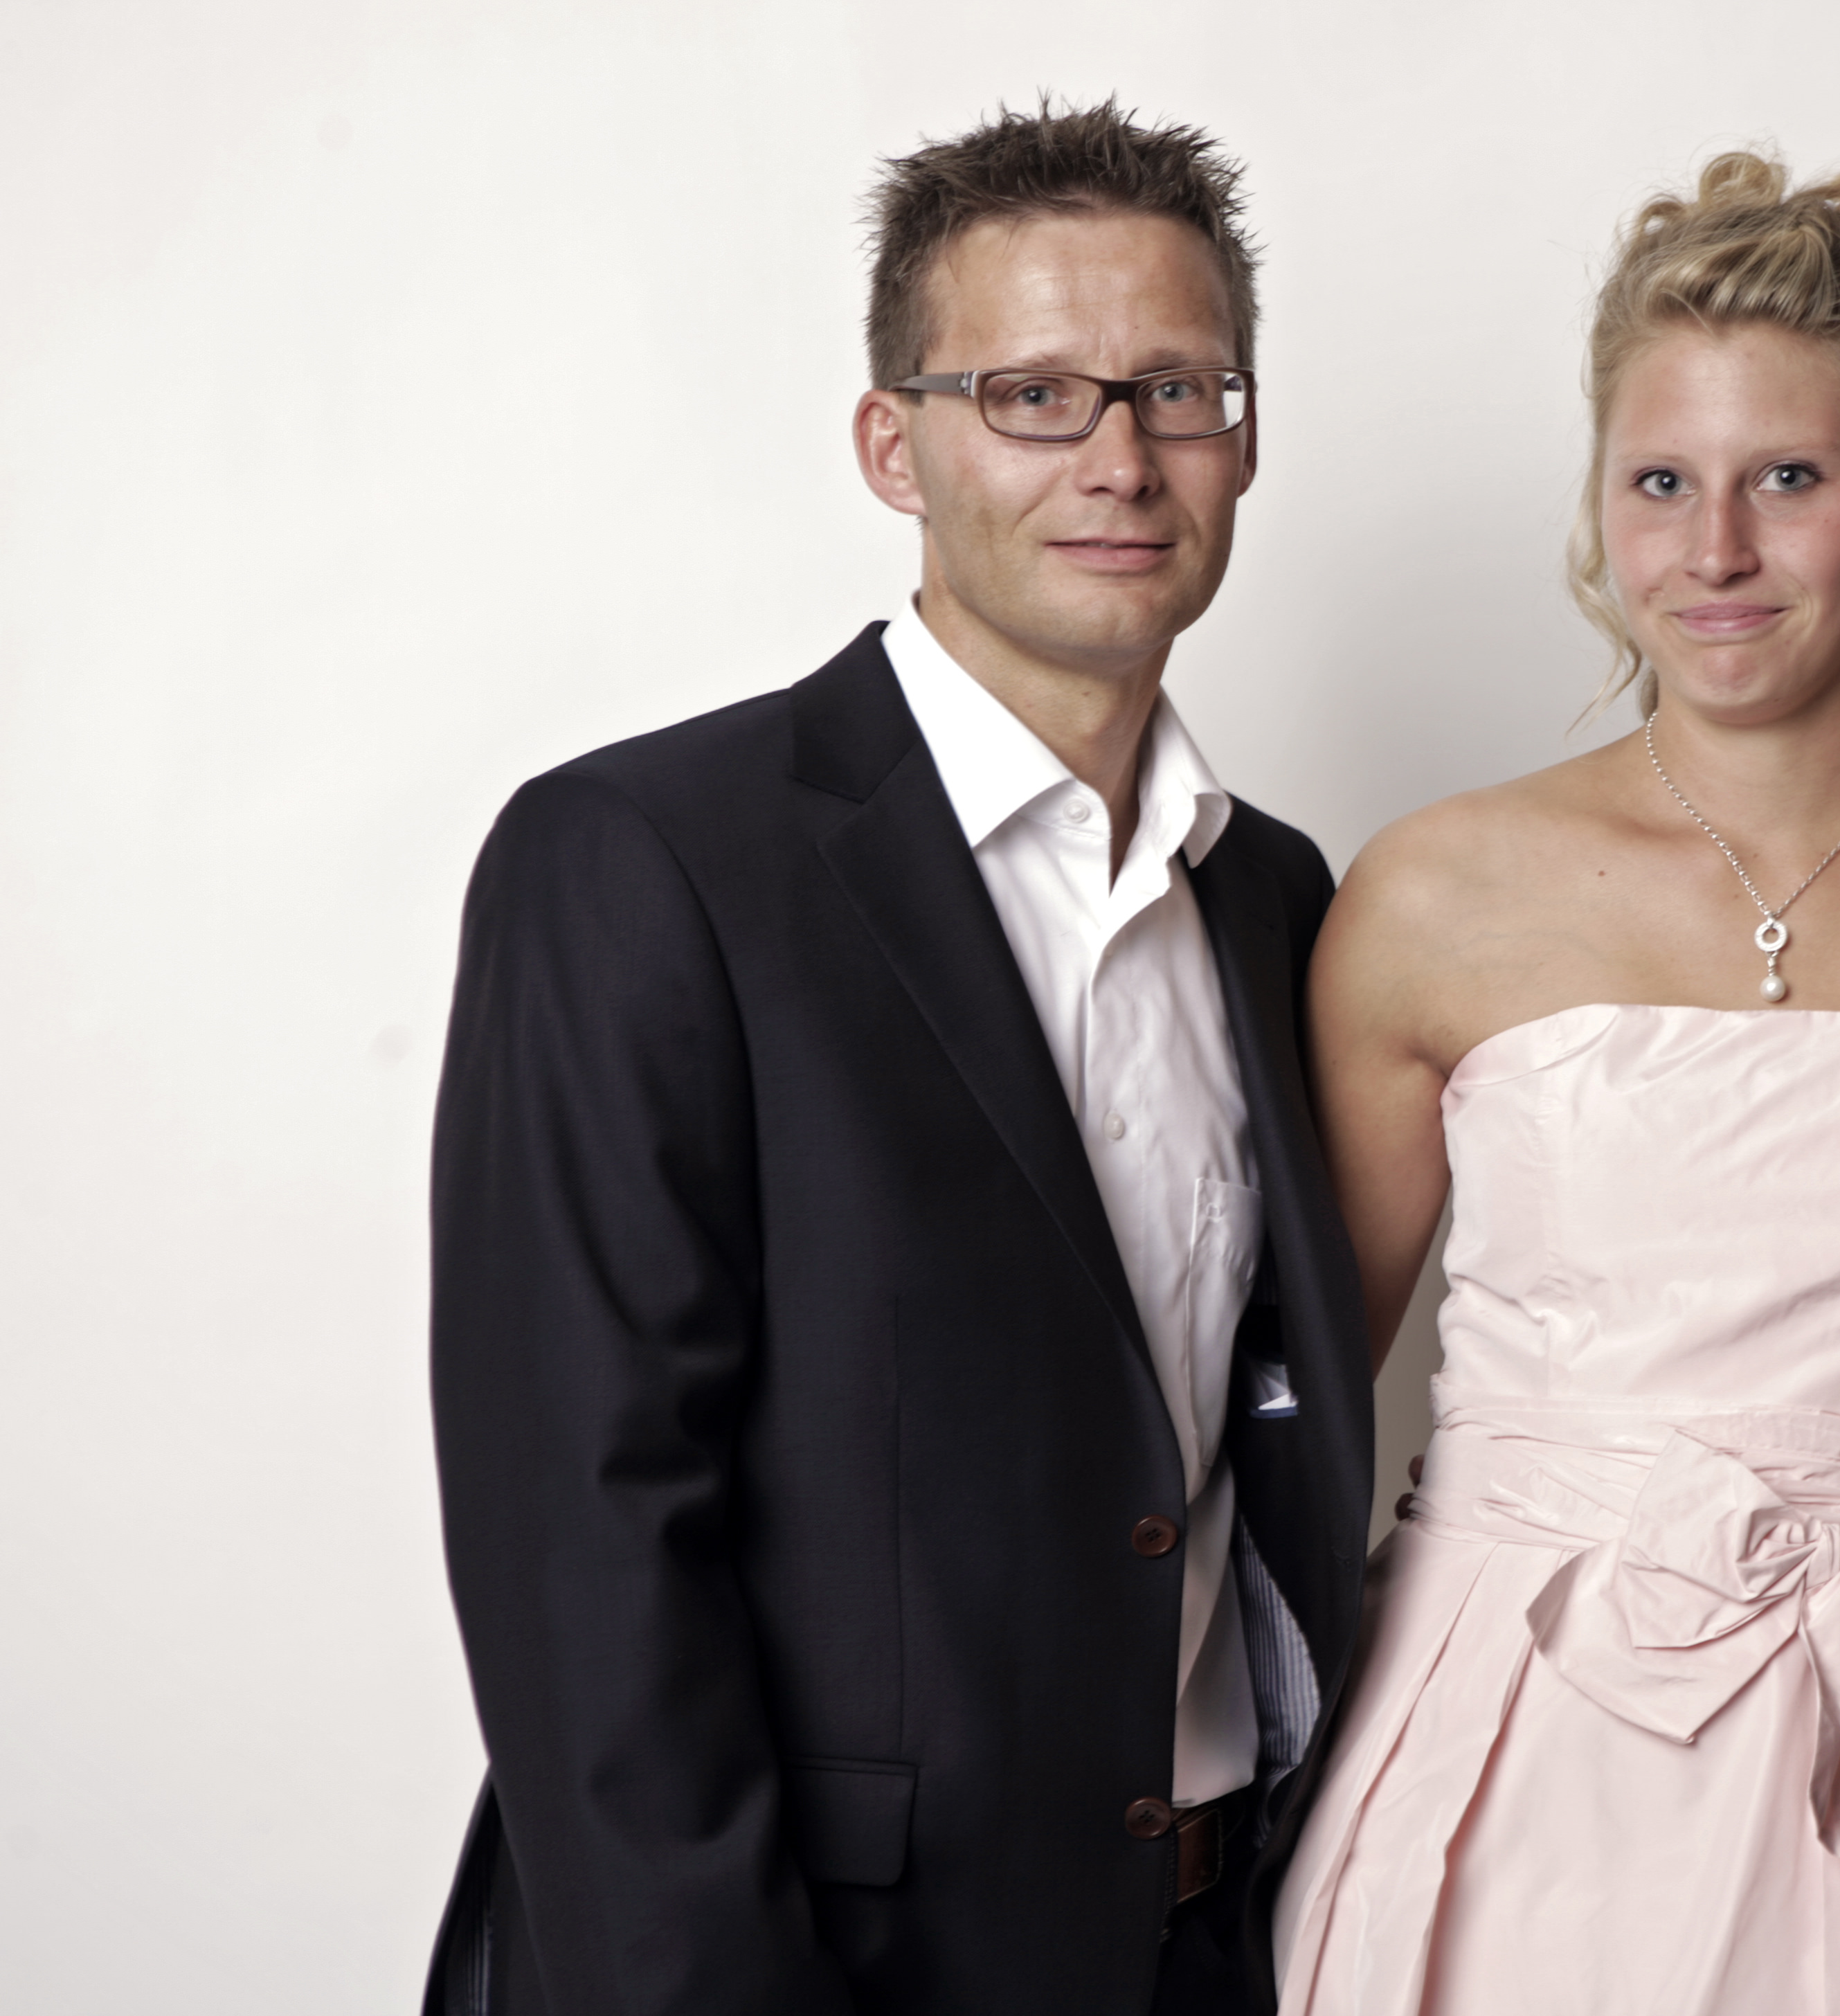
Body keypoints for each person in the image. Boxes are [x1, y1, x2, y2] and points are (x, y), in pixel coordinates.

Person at [420, 102, 1369, 2016]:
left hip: (1213, 1944)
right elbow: (584, 1548)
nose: (1120, 457)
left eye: (1178, 390)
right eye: (1033, 394)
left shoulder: (1274, 896)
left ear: (1245, 435)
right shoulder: (645, 860)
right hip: (810, 1967)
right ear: (893, 444)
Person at [1270, 154, 1840, 2016]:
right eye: (1661, 482)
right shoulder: (1435, 890)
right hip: (1488, 1743)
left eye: (1791, 480)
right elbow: (1286, 1413)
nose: (1715, 552)